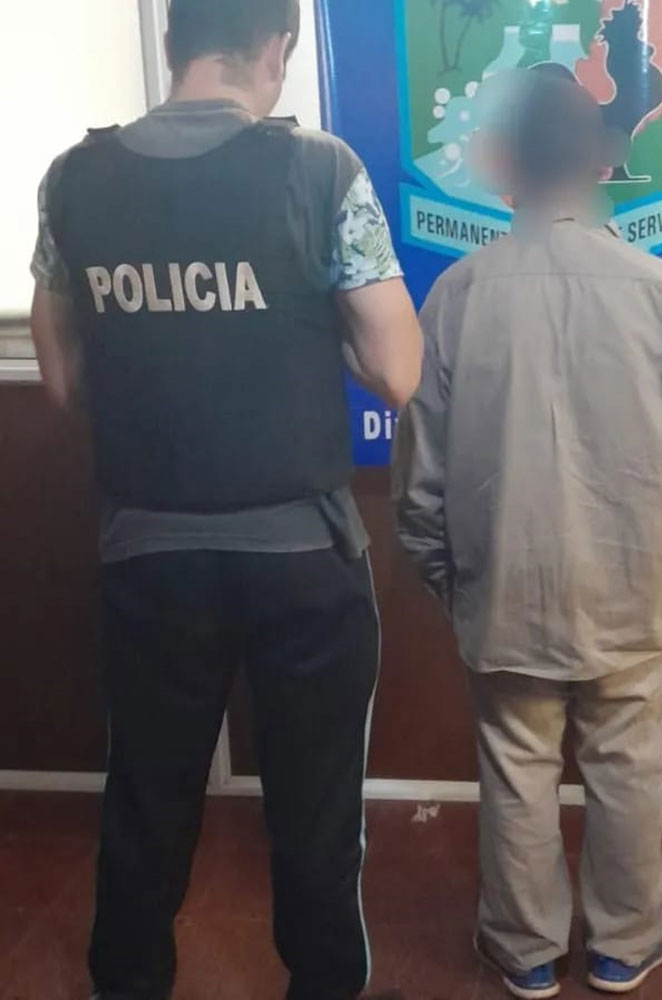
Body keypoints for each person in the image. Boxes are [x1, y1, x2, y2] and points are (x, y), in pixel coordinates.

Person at [30, 1, 422, 997]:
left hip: (146, 552)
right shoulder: (319, 171)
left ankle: (127, 983)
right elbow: (399, 371)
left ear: (171, 45)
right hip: (301, 558)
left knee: (145, 800)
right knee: (317, 811)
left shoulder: (73, 179)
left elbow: (63, 378)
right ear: (275, 49)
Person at [392, 69, 662, 999]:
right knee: (627, 765)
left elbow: (420, 476)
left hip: (504, 590)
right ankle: (626, 943)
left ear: (507, 165)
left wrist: (448, 578)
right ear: (602, 162)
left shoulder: (456, 296)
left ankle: (525, 951)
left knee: (516, 766)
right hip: (635, 590)